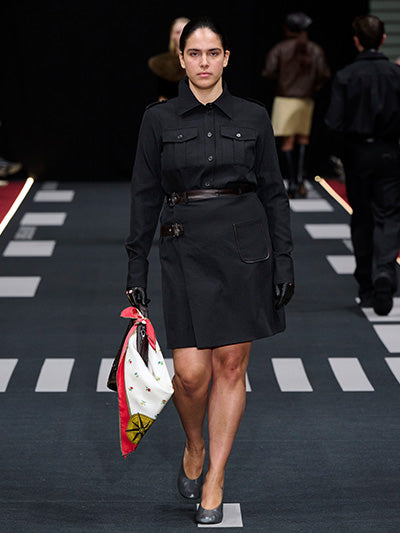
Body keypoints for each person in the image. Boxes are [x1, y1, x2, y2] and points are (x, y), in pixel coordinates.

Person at [125, 17, 294, 525]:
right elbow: (144, 196)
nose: (204, 62)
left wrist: (284, 260)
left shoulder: (253, 115)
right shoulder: (158, 120)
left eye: (213, 53)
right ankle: (194, 444)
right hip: (185, 248)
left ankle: (214, 479)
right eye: (194, 54)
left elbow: (274, 192)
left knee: (231, 366)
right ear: (181, 59)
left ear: (226, 58)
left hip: (245, 249)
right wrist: (136, 266)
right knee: (191, 376)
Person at [325, 15, 400, 316]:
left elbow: (333, 122)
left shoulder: (346, 76)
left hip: (357, 154)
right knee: (389, 215)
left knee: (362, 218)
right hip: (390, 152)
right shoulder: (396, 75)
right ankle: (384, 271)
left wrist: (343, 149)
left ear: (356, 41)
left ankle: (367, 287)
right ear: (383, 39)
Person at [262, 12, 330, 198]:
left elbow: (268, 72)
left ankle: (291, 182)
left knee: (287, 141)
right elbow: (324, 74)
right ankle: (300, 181)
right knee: (303, 139)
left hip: (285, 98)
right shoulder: (314, 50)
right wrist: (313, 87)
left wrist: (281, 82)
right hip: (306, 99)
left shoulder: (280, 49)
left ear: (287, 29)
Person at [148, 17, 189, 101]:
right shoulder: (160, 63)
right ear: (172, 35)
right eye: (178, 32)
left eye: (185, 31)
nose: (182, 35)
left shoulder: (202, 61)